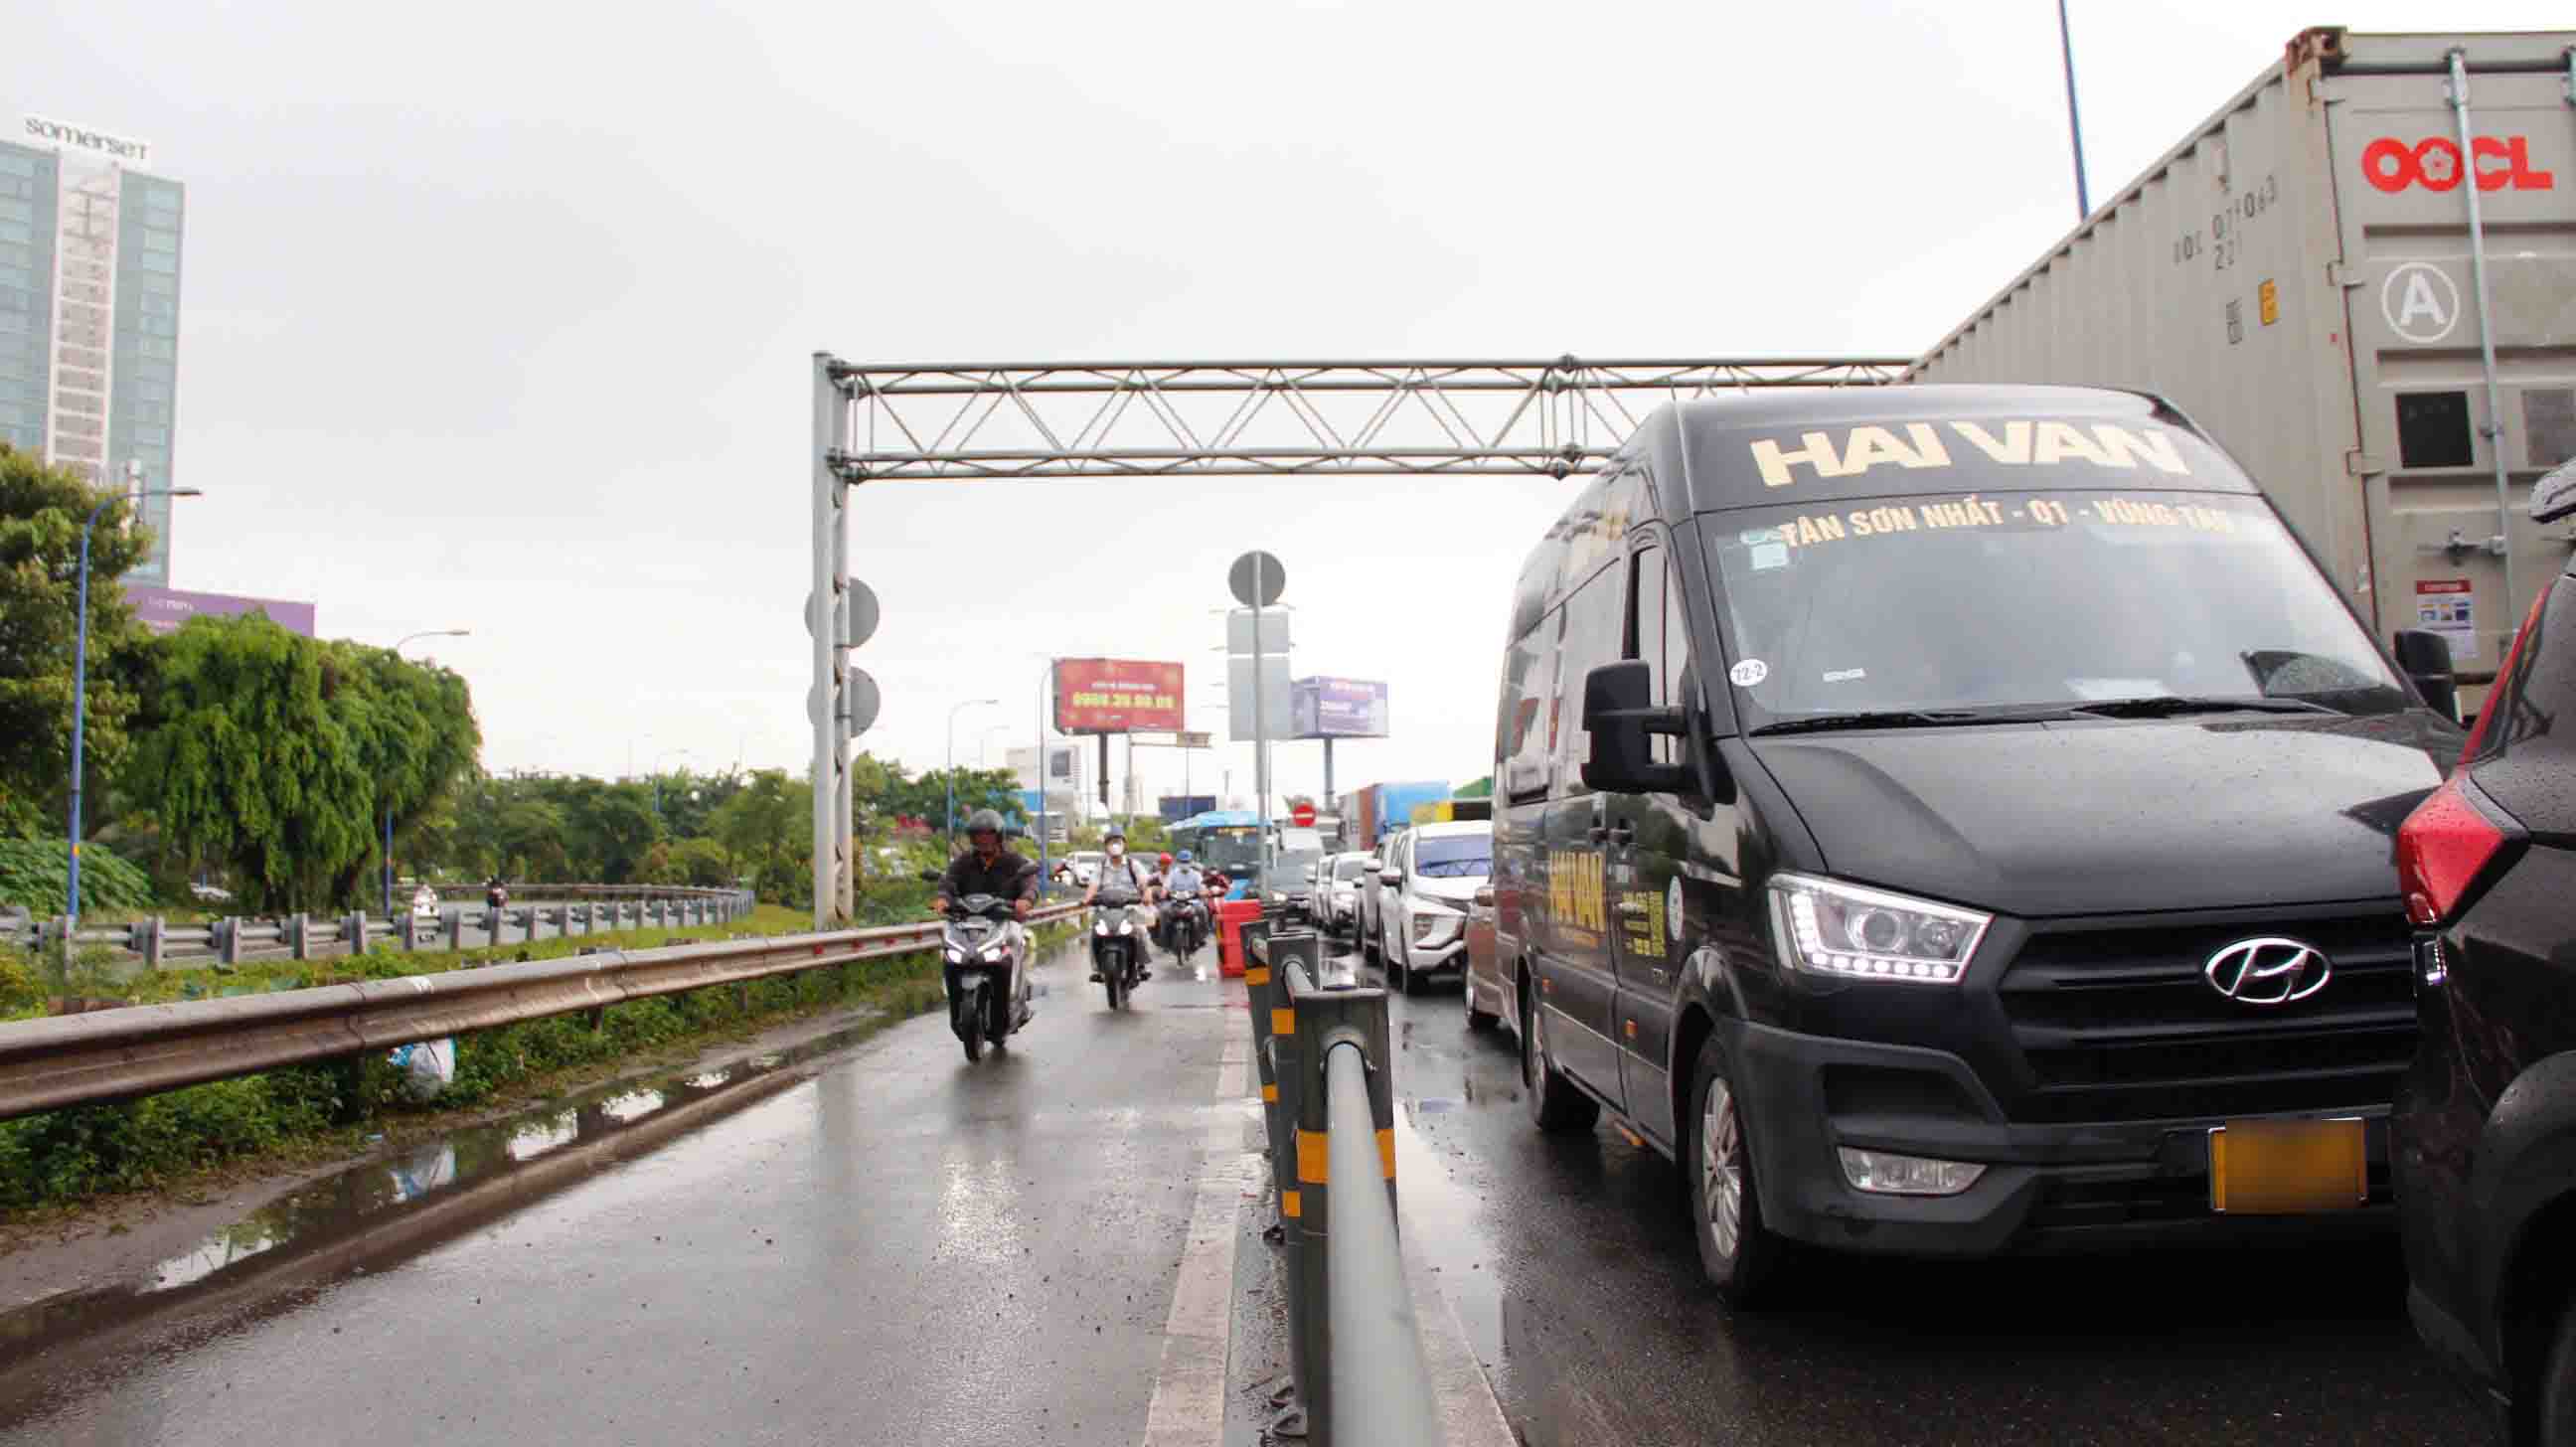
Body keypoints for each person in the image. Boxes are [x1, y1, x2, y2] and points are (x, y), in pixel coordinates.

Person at [932, 809, 1040, 1024]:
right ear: (972, 838)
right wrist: (942, 899)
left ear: (998, 836)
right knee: (950, 954)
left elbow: (1030, 885)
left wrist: (1025, 900)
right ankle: (953, 999)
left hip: (1005, 919)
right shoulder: (963, 862)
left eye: (989, 835)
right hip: (967, 921)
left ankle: (1018, 997)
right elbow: (948, 883)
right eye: (979, 836)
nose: (984, 840)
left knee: (1016, 946)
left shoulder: (1015, 861)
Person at [1082, 828, 1158, 981]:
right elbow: (1093, 886)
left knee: (1141, 931)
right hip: (1105, 908)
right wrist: (1086, 900)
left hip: (1130, 907)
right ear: (1106, 846)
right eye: (1111, 842)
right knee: (1095, 933)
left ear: (1124, 845)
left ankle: (1142, 965)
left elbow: (1145, 884)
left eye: (1118, 841)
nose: (1115, 845)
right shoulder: (1100, 866)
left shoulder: (1133, 864)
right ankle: (1097, 969)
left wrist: (1147, 895)